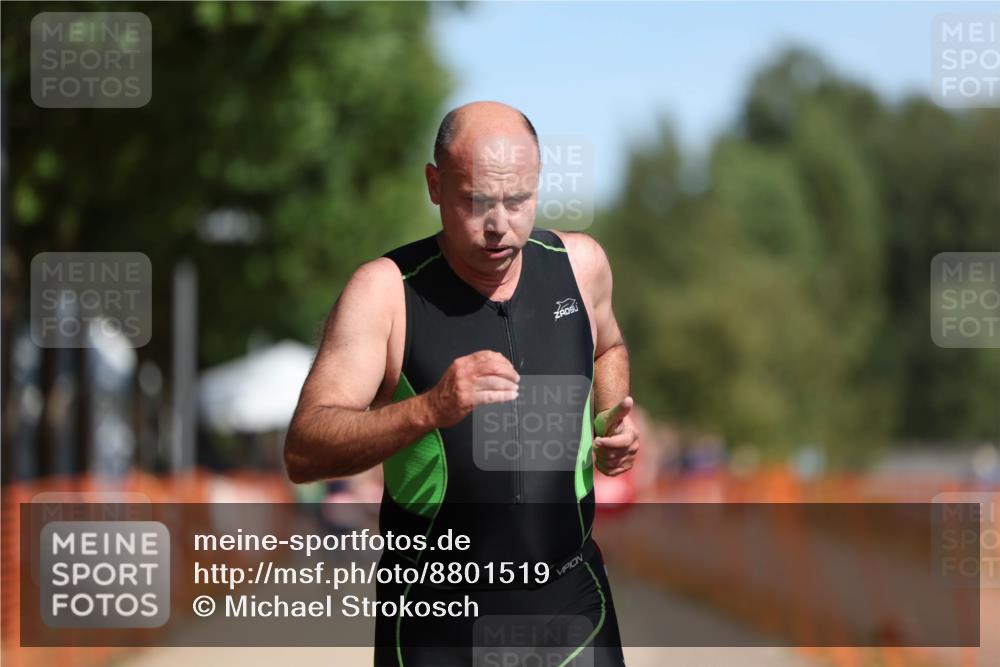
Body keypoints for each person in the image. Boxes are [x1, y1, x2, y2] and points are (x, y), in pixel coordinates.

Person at [285, 101, 639, 666]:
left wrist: (607, 423)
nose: (499, 225)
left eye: (518, 200)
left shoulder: (581, 265)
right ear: (434, 185)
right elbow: (304, 450)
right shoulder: (385, 293)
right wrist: (428, 408)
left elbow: (609, 346)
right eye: (476, 202)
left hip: (570, 603)